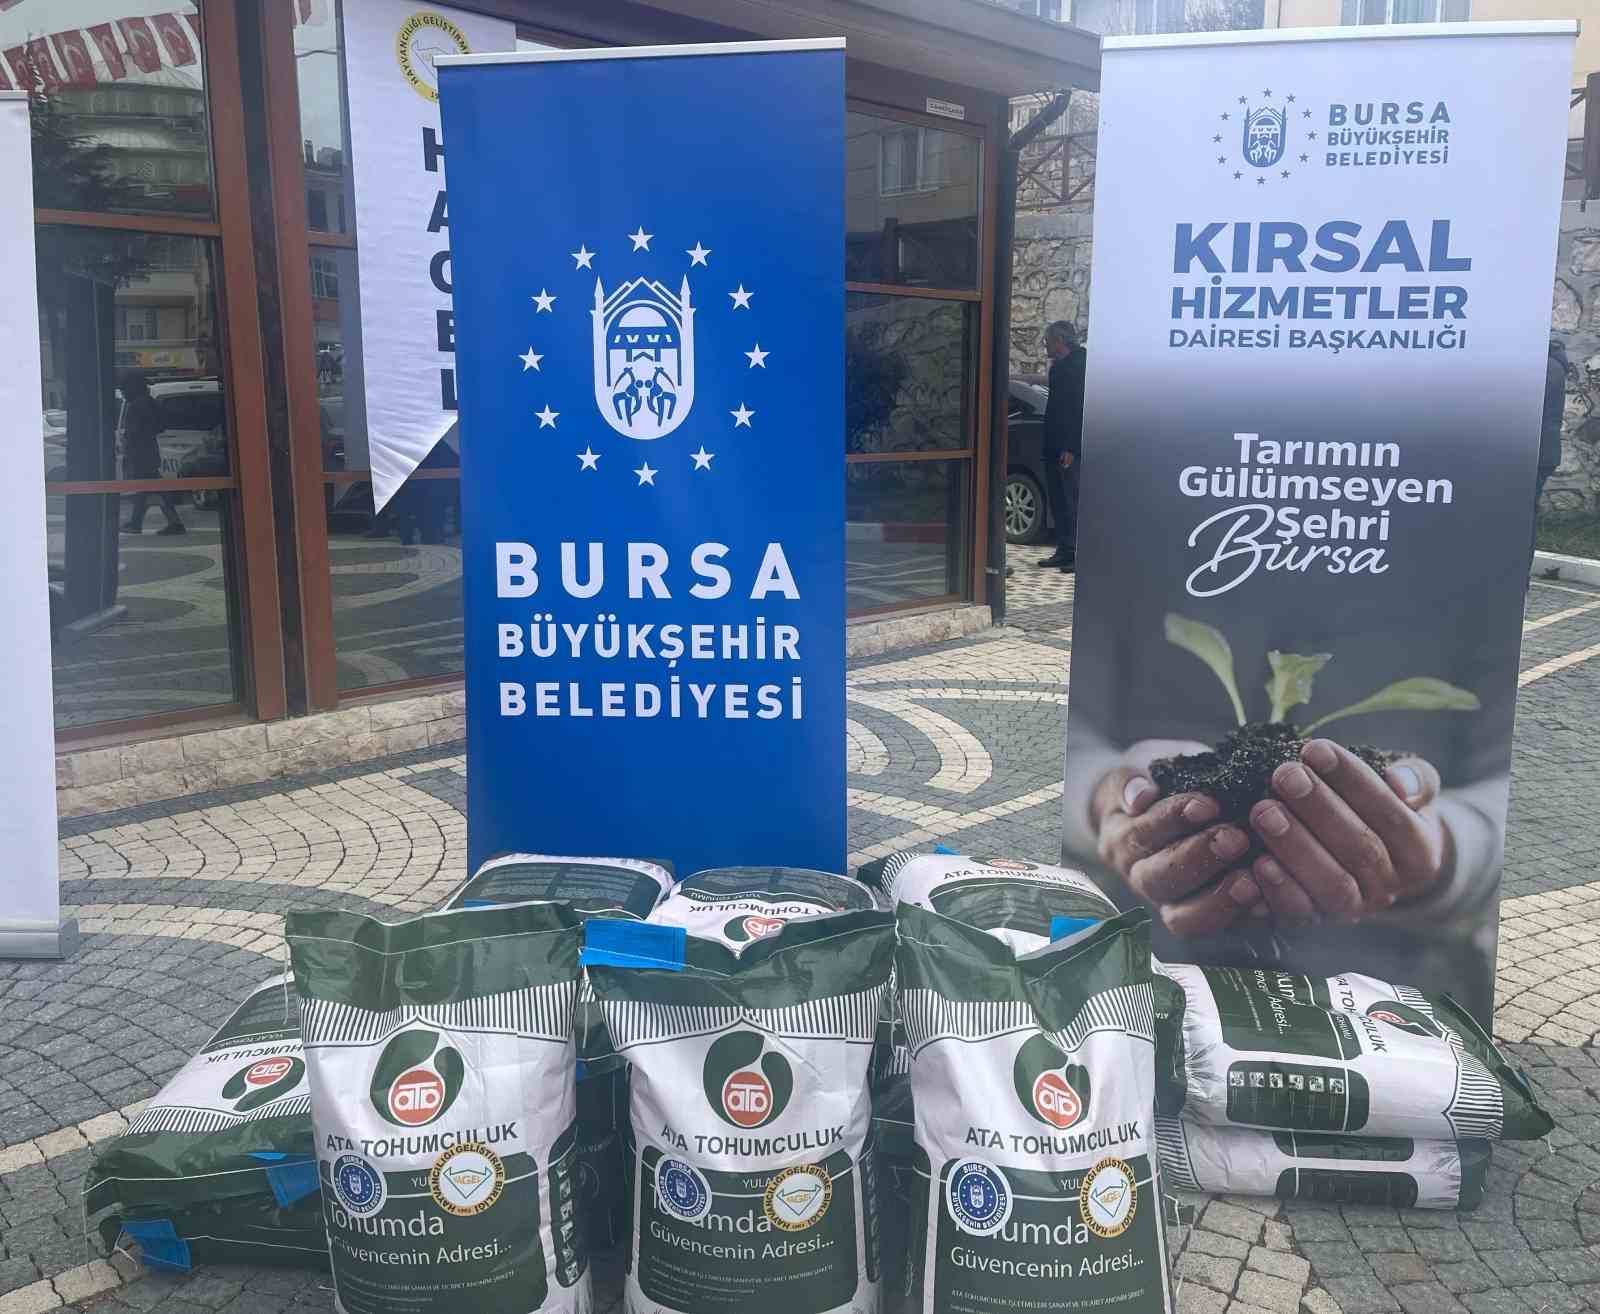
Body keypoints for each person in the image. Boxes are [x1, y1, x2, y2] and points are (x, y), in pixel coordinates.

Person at [1038, 320, 1086, 571]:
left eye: (1047, 340)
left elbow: (1078, 409)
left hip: (1068, 448)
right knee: (1058, 500)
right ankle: (1065, 549)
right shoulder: (1058, 367)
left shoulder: (1080, 366)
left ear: (1059, 341)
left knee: (1073, 501)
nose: (1045, 345)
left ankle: (1079, 554)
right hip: (1053, 445)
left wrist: (1071, 448)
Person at [119, 373, 184, 536]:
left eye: (124, 389)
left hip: (140, 453)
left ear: (133, 388)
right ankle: (137, 522)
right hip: (149, 451)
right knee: (146, 488)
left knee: (149, 487)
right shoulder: (150, 402)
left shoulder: (136, 406)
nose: (123, 392)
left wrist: (129, 449)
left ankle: (173, 522)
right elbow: (161, 426)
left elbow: (133, 433)